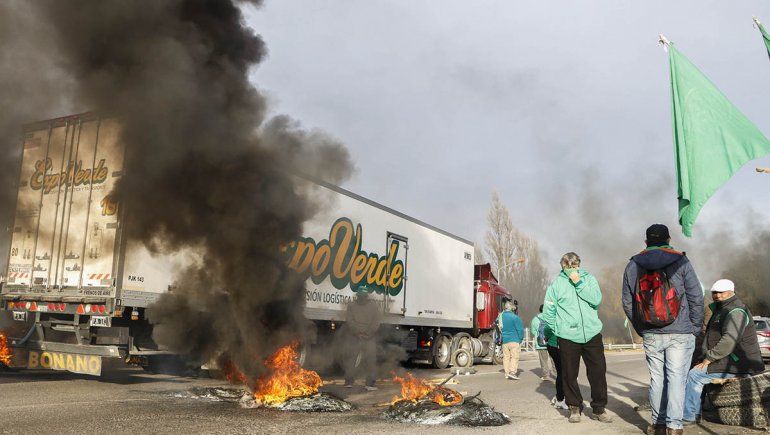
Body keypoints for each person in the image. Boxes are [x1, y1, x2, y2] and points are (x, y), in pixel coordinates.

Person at [622, 224, 704, 435]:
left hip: (651, 333)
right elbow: (696, 296)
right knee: (676, 378)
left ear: (646, 242)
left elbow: (627, 302)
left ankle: (657, 424)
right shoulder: (681, 260)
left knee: (657, 379)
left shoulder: (633, 264)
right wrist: (694, 327)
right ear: (668, 239)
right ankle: (674, 427)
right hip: (681, 331)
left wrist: (642, 328)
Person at [683, 279, 765, 425]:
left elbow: (729, 340)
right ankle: (698, 408)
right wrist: (703, 358)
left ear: (731, 292)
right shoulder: (721, 309)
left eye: (721, 293)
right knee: (695, 368)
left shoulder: (736, 311)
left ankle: (689, 416)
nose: (717, 296)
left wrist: (708, 359)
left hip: (740, 364)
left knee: (695, 375)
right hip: (730, 360)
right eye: (715, 293)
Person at [542, 252, 612, 423]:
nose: (572, 268)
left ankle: (599, 408)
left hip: (592, 333)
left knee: (598, 372)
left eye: (574, 265)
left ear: (579, 264)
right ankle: (574, 408)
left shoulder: (589, 279)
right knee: (568, 373)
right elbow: (548, 311)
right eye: (568, 266)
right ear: (563, 266)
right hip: (568, 336)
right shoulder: (556, 285)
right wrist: (559, 329)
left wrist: (578, 282)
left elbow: (596, 300)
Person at [343, 290, 381, 391]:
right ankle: (369, 384)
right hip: (369, 337)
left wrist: (358, 332)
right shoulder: (373, 306)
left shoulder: (351, 305)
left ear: (357, 295)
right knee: (370, 360)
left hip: (355, 336)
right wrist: (367, 333)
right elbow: (376, 323)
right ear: (366, 296)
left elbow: (349, 321)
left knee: (351, 359)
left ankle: (348, 382)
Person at [497, 300, 524, 380]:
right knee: (514, 357)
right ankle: (512, 372)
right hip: (514, 340)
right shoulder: (515, 317)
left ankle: (506, 373)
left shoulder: (500, 316)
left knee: (506, 357)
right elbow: (520, 330)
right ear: (511, 308)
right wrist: (520, 339)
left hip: (504, 340)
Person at [531, 305, 556, 381]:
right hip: (551, 342)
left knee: (543, 360)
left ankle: (545, 375)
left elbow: (533, 331)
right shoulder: (551, 318)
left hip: (540, 344)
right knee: (554, 359)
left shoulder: (535, 319)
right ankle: (557, 374)